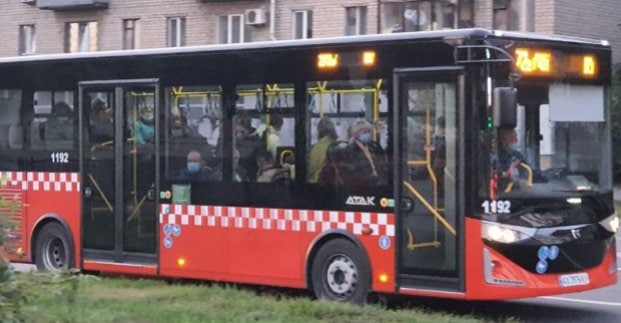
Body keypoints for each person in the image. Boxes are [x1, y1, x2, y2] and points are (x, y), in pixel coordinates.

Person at [319, 120, 387, 187]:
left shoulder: (374, 147)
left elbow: (383, 163)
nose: (367, 133)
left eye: (369, 131)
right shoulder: (348, 152)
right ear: (355, 134)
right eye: (364, 131)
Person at [308, 118, 337, 183]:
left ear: (319, 131)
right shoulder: (338, 146)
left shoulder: (317, 147)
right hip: (335, 184)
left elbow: (310, 169)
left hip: (317, 183)